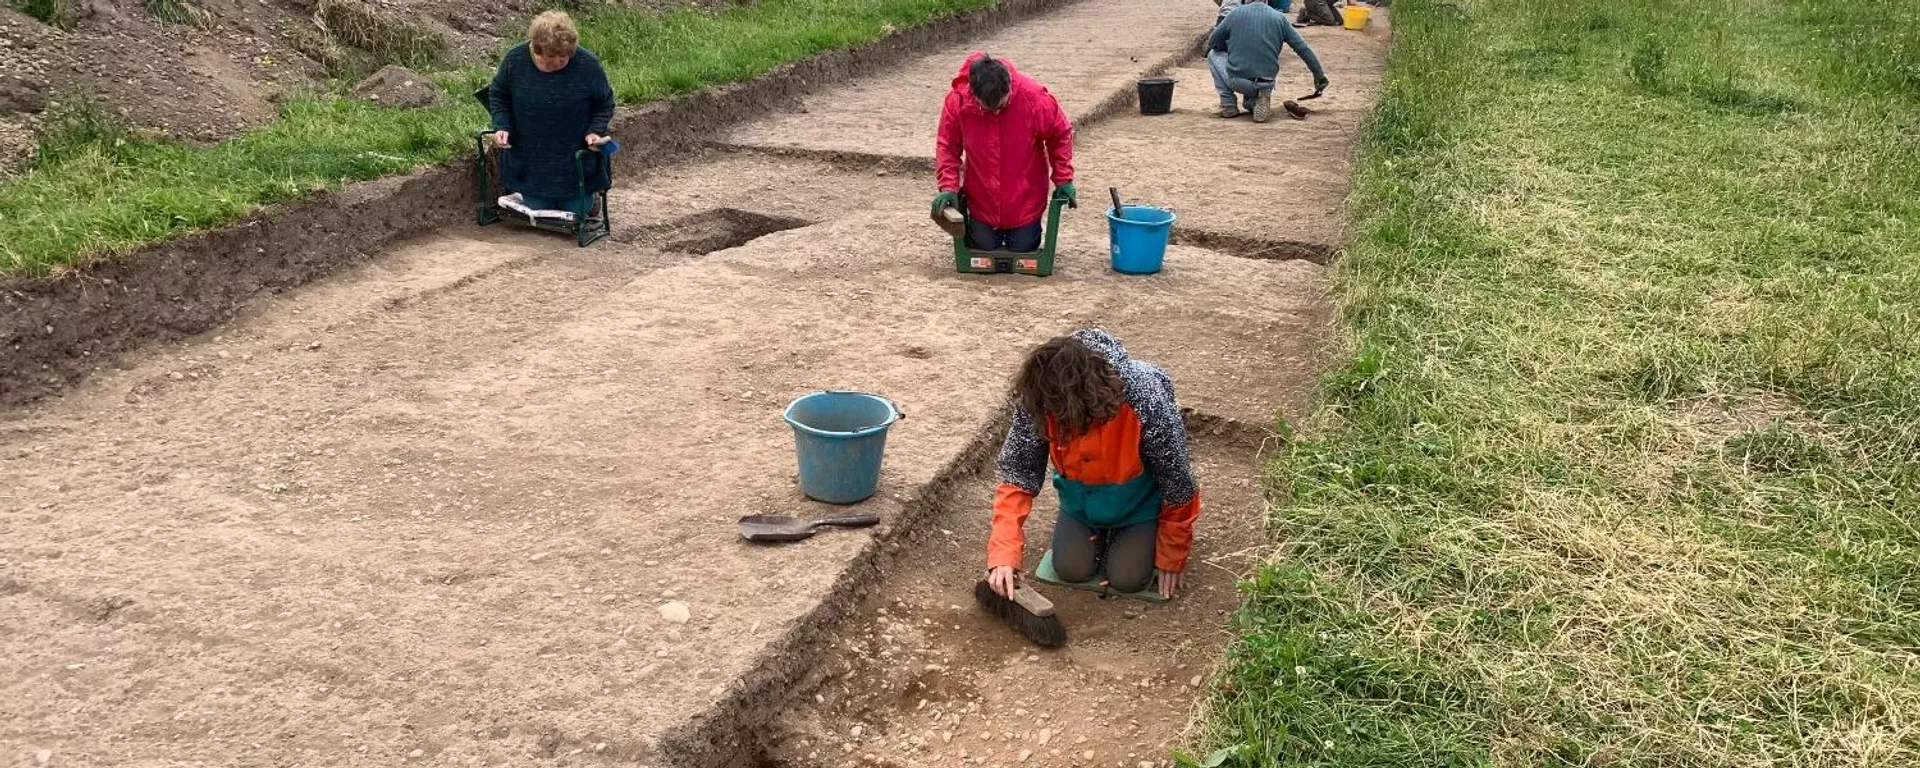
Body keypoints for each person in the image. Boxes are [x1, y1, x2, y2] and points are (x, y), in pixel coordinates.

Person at [985, 330, 1203, 602]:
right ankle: (1097, 533)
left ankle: (1133, 534)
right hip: (1080, 503)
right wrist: (1003, 555)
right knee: (1070, 569)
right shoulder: (1039, 397)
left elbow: (1178, 483)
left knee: (1128, 579)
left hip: (1139, 503)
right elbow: (1017, 476)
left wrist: (1172, 554)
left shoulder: (1143, 395)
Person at [933, 54, 1077, 253]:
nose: (997, 113)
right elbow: (948, 146)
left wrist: (1063, 178)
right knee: (984, 246)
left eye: (1002, 105)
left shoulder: (1033, 97)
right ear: (973, 94)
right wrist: (948, 186)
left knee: (1023, 247)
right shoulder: (957, 102)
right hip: (981, 198)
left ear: (1009, 86)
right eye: (989, 109)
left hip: (1024, 198)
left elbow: (1059, 134)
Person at [487, 11, 616, 213]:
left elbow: (605, 103)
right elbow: (498, 95)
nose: (557, 62)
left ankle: (590, 201)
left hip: (573, 157)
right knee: (539, 206)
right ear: (537, 50)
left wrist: (595, 130)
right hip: (532, 156)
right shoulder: (515, 60)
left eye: (563, 57)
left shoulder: (587, 64)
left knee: (576, 209)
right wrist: (502, 125)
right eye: (550, 58)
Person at [1206, 0, 1329, 122]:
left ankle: (1229, 104)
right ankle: (1256, 101)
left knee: (1213, 54)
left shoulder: (1235, 14)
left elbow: (1213, 41)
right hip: (1267, 82)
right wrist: (1319, 76)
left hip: (1239, 81)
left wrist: (1229, 48)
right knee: (1253, 90)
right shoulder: (1279, 18)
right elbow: (1303, 49)